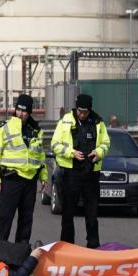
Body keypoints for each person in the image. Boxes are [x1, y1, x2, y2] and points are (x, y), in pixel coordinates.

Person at [51, 93, 110, 248]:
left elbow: (106, 143)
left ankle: (93, 246)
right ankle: (67, 246)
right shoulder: (65, 121)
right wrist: (71, 153)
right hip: (71, 173)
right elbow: (55, 144)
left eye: (84, 112)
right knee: (68, 213)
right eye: (79, 111)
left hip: (91, 173)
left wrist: (99, 152)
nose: (81, 114)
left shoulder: (98, 122)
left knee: (91, 214)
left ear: (90, 110)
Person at [0, 93, 47, 244]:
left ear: (29, 112)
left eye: (24, 111)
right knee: (5, 217)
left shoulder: (36, 130)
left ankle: (21, 254)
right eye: (18, 110)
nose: (20, 114)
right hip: (11, 179)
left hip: (30, 181)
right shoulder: (4, 128)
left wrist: (43, 176)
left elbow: (40, 156)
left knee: (26, 220)